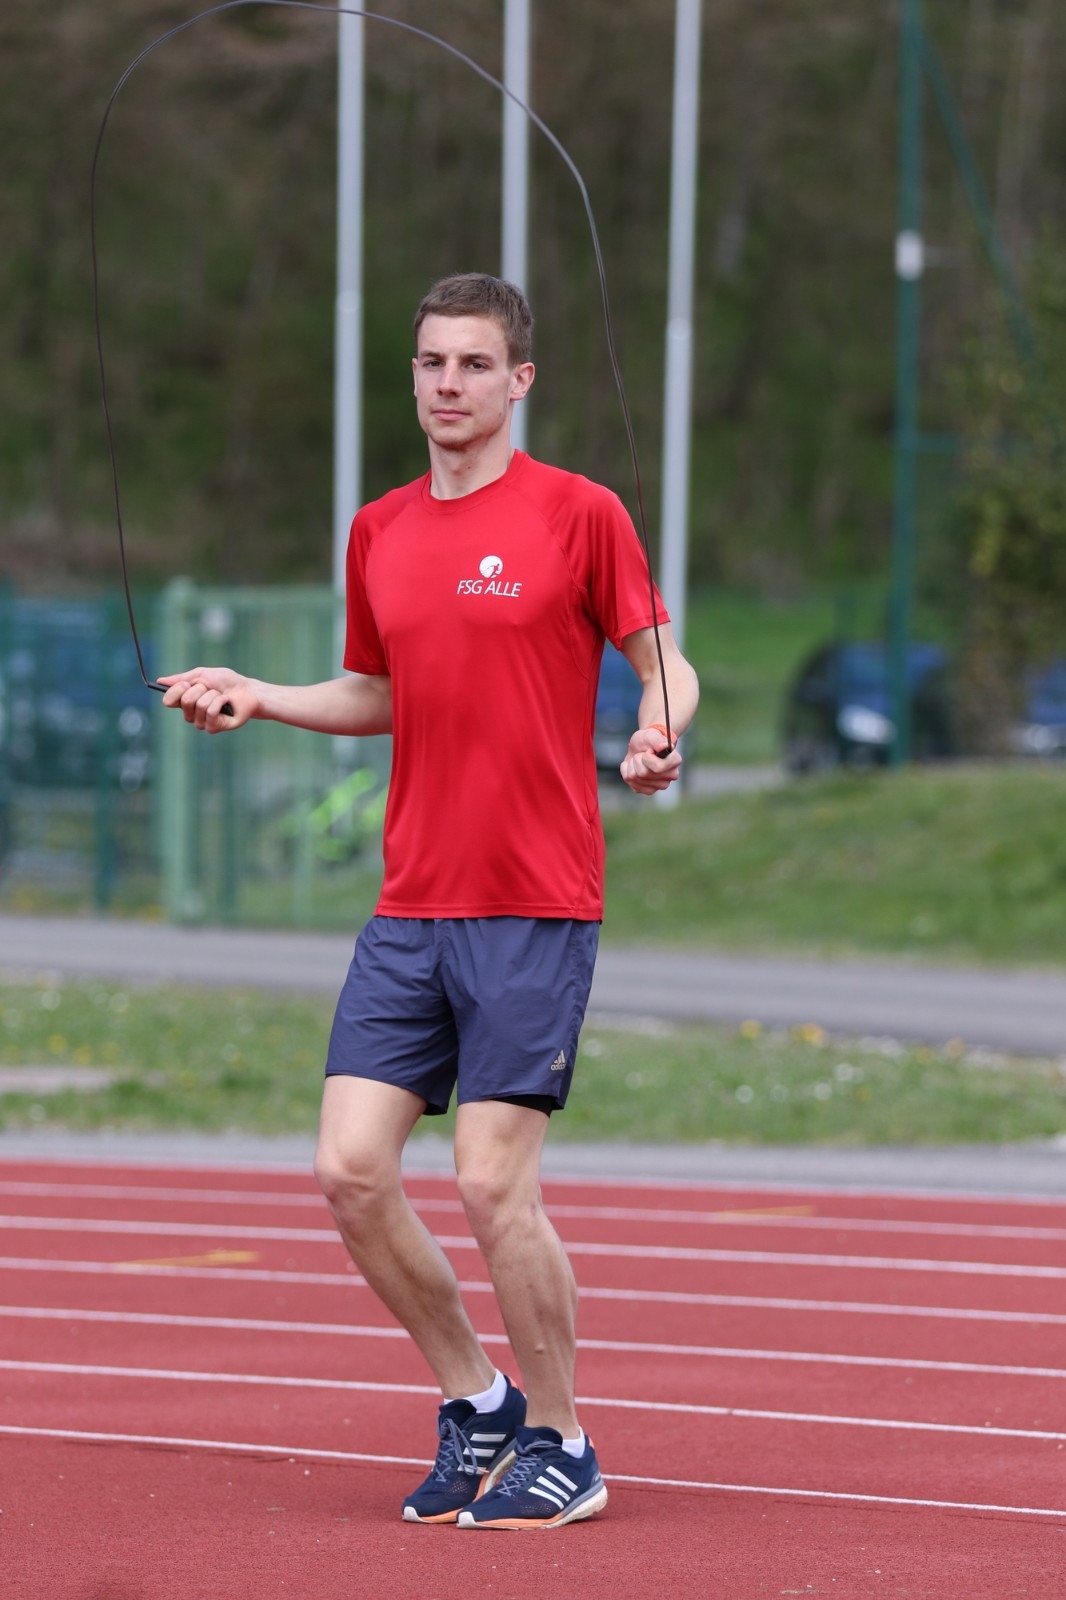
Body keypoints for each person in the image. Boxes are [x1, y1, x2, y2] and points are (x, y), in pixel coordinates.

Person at [160, 272, 699, 1530]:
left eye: (472, 364)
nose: (447, 384)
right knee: (349, 1170)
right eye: (430, 363)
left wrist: (657, 731)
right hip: (411, 904)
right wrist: (261, 694)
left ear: (519, 380)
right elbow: (380, 690)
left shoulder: (579, 513)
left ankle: (566, 1441)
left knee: (492, 1185)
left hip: (533, 900)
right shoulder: (380, 529)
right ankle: (478, 1399)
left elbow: (660, 659)